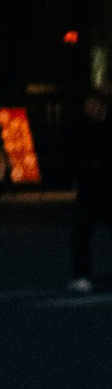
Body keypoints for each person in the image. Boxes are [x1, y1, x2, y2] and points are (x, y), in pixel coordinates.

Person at [70, 75, 112, 291]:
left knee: (84, 229)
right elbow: (72, 152)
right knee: (81, 231)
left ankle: (82, 273)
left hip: (105, 184)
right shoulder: (81, 125)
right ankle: (80, 273)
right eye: (88, 105)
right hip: (89, 185)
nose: (90, 109)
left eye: (94, 105)